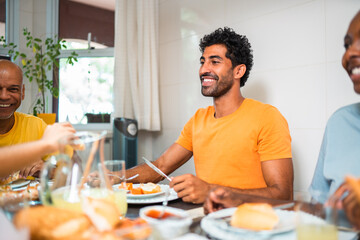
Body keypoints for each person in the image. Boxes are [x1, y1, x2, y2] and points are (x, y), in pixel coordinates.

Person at [125, 27, 293, 204]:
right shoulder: (198, 119)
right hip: (205, 218)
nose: (203, 69)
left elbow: (283, 195)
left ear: (238, 71)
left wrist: (212, 192)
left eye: (214, 62)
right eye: (202, 62)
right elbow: (160, 167)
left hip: (248, 225)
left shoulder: (267, 117)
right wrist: (113, 177)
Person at [309, 10, 360, 228]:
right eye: (347, 45)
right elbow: (316, 209)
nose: (349, 53)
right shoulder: (339, 122)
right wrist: (240, 202)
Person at [0, 59, 47, 182]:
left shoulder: (36, 126)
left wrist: (48, 170)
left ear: (23, 92)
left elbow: (73, 166)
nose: (3, 96)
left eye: (13, 89)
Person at [0, 122, 75, 178]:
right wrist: (44, 144)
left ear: (23, 99)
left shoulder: (36, 125)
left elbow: (69, 174)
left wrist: (44, 169)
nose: (4, 99)